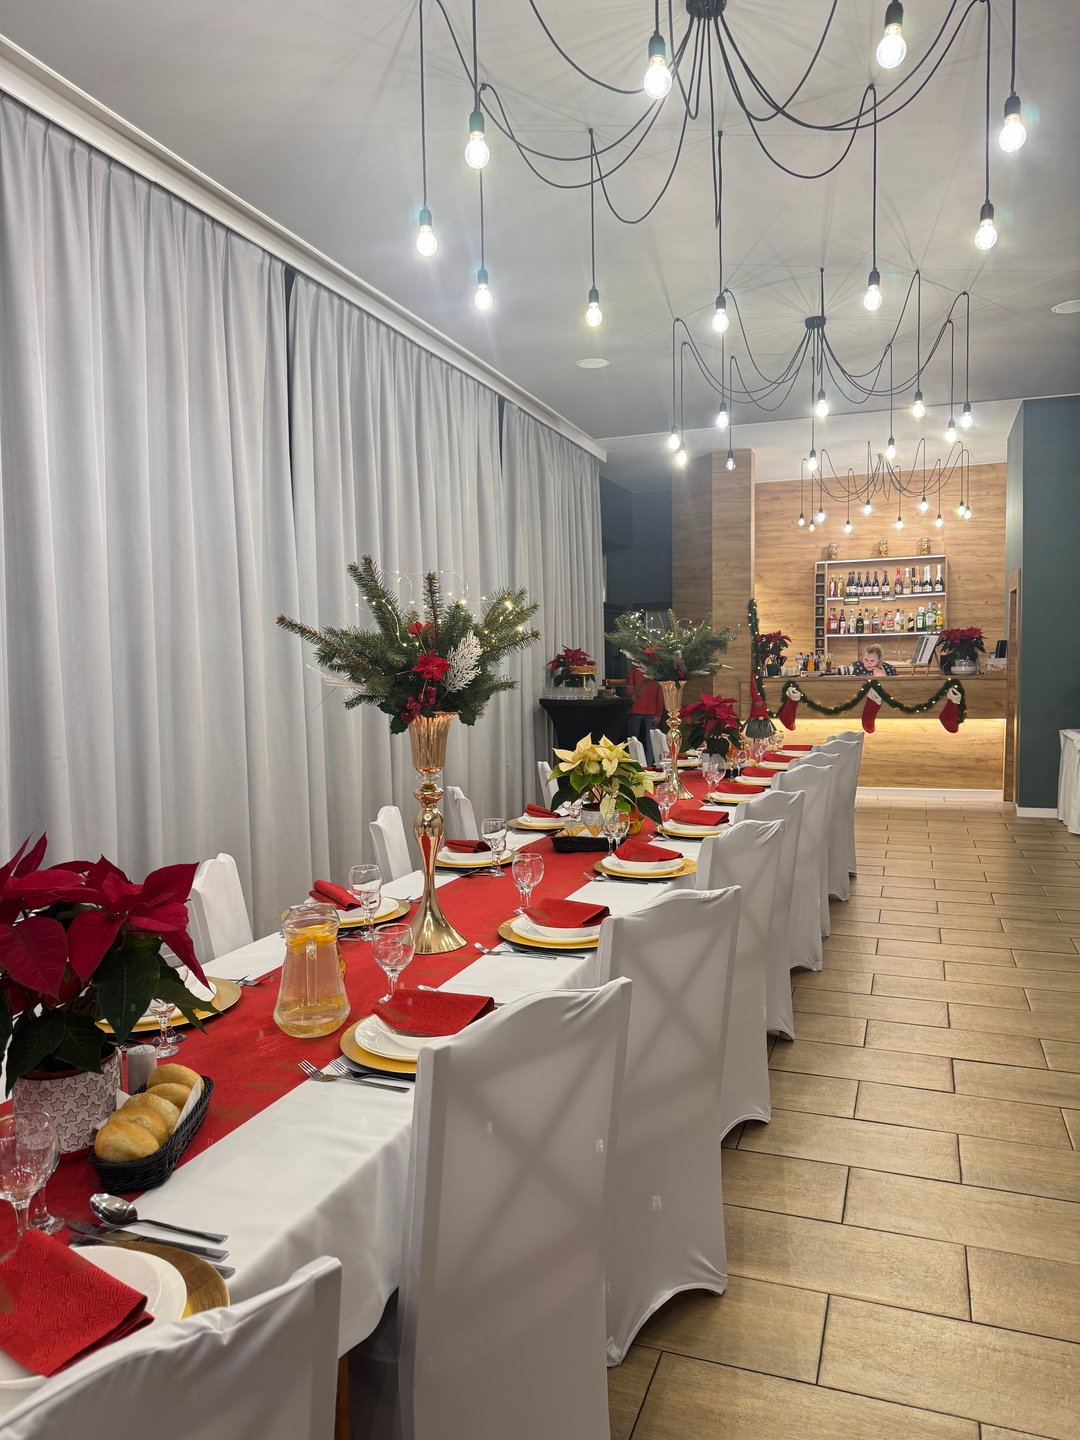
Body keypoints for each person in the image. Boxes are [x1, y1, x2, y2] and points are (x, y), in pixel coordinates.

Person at [626, 664, 663, 749]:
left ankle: (634, 758)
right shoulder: (655, 672)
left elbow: (628, 691)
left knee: (633, 742)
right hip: (652, 711)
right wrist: (659, 713)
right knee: (651, 743)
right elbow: (660, 694)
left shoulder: (634, 671)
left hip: (635, 710)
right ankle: (650, 758)